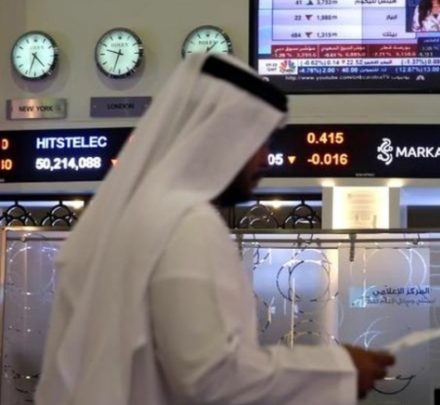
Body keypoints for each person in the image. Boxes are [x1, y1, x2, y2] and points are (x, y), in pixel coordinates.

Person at [35, 54, 395, 405]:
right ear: (220, 135)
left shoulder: (131, 216)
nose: (265, 159)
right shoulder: (187, 222)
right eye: (258, 140)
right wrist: (340, 369)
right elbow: (210, 377)